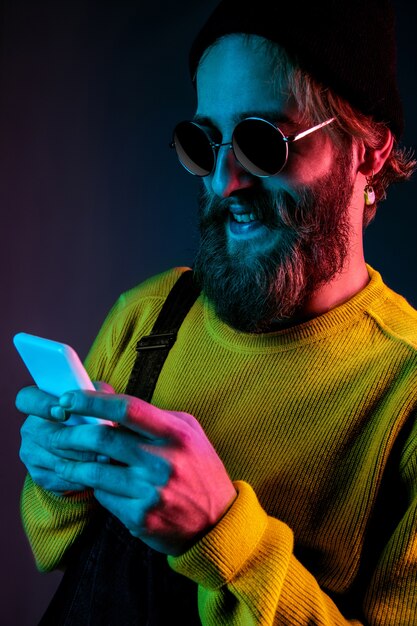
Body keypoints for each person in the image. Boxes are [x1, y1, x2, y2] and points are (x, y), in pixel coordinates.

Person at [15, 0, 417, 624]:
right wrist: (60, 474)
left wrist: (221, 535)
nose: (226, 180)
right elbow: (54, 545)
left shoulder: (406, 389)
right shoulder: (151, 314)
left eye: (264, 141)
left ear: (367, 150)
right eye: (205, 144)